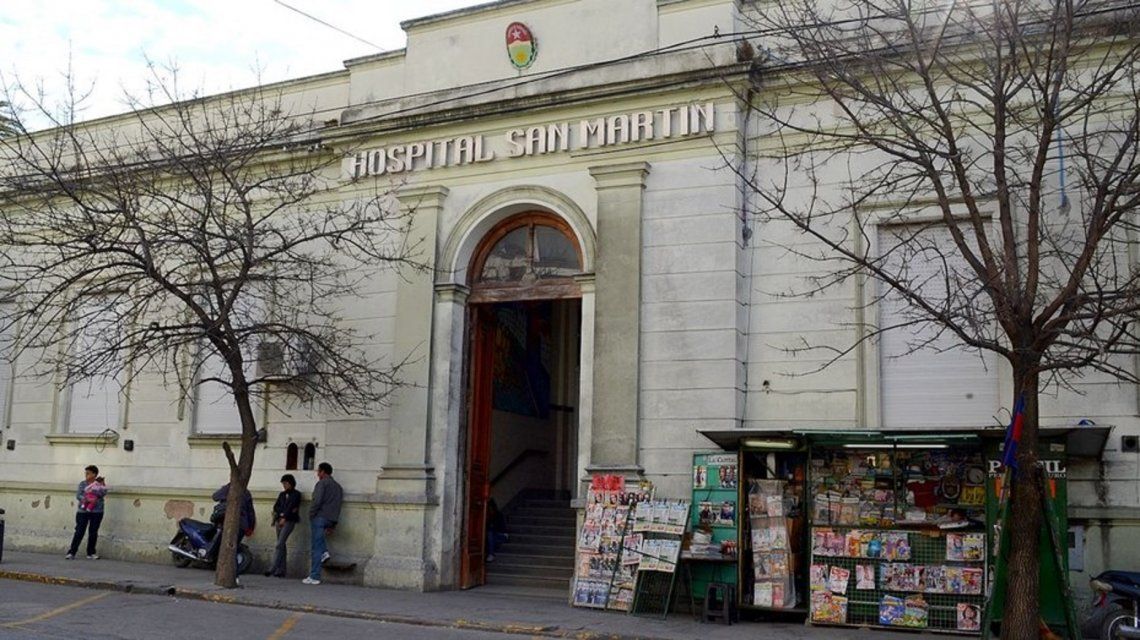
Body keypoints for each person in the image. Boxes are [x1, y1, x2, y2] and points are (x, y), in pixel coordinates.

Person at [303, 461, 343, 585]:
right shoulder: (338, 487)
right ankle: (325, 552)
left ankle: (314, 575)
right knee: (319, 544)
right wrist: (334, 523)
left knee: (316, 547)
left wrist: (311, 514)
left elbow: (317, 501)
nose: (317, 474)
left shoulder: (322, 484)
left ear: (323, 472)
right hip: (331, 518)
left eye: (318, 471)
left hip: (320, 517)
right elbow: (338, 505)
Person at [66, 465, 108, 560]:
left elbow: (102, 494)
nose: (86, 475)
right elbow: (78, 495)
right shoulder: (82, 484)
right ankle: (72, 552)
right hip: (83, 511)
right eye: (86, 473)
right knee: (79, 531)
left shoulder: (99, 483)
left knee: (93, 532)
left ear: (94, 474)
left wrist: (102, 486)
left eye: (88, 473)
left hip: (97, 511)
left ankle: (91, 553)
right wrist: (86, 499)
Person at [210, 482, 256, 565]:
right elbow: (251, 512)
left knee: (225, 548)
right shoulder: (246, 492)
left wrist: (227, 488)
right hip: (241, 525)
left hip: (228, 524)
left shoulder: (228, 489)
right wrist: (251, 527)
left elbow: (215, 496)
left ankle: (223, 567)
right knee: (233, 548)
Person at [265, 474, 302, 577]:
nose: (284, 486)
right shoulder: (282, 495)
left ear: (291, 483)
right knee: (281, 545)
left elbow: (292, 507)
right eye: (283, 484)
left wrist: (284, 517)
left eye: (286, 483)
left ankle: (273, 567)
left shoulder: (296, 494)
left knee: (279, 544)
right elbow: (276, 506)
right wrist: (280, 515)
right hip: (279, 520)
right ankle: (281, 570)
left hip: (289, 521)